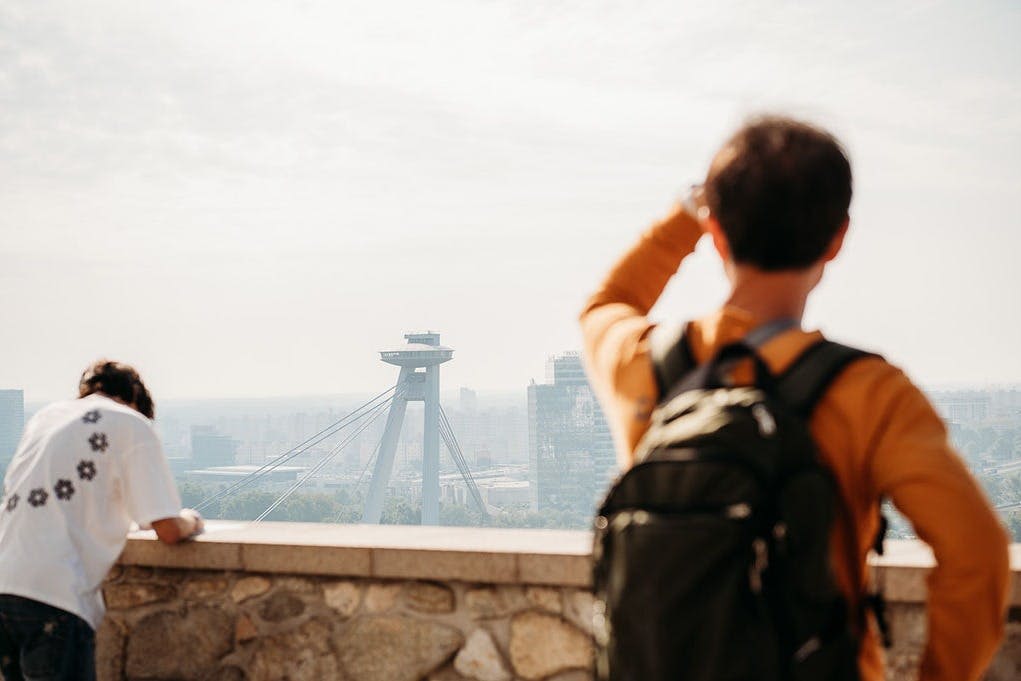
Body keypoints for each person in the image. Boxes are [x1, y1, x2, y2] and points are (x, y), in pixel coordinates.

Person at [580, 115, 1010, 681]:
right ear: (837, 239)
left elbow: (607, 303)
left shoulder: (643, 363)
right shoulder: (870, 392)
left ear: (718, 234)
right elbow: (976, 555)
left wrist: (688, 214)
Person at [0, 360, 203, 681]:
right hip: (55, 595)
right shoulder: (131, 423)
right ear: (135, 397)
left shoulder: (45, 418)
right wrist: (191, 520)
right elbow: (167, 528)